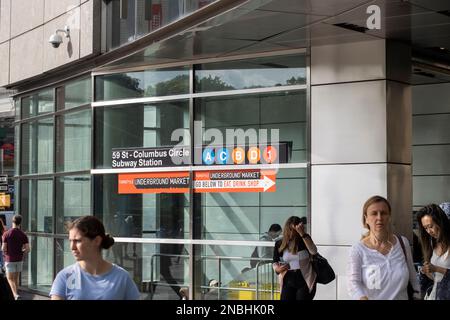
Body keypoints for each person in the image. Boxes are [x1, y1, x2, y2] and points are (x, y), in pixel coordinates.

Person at [50, 215, 140, 300]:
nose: (72, 247)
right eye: (70, 241)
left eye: (77, 241)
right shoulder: (65, 277)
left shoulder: (122, 277)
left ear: (97, 241)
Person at [347, 195, 419, 300]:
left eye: (383, 213)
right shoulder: (358, 250)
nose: (379, 218)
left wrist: (417, 295)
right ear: (366, 218)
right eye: (374, 213)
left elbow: (413, 278)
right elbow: (353, 284)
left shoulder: (402, 243)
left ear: (389, 217)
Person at [272, 216, 318, 300]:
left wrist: (302, 234)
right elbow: (275, 260)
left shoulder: (304, 239)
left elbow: (313, 251)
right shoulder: (280, 243)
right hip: (288, 277)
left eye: (295, 230)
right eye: (290, 229)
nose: (292, 233)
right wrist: (277, 269)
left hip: (305, 277)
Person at [416, 204, 450, 300]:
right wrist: (426, 271)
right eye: (425, 228)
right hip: (435, 295)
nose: (428, 231)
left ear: (441, 222)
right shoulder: (432, 244)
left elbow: (439, 271)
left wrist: (437, 269)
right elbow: (436, 278)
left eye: (430, 226)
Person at [1, 214, 30, 300]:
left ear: (12, 221)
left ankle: (15, 294)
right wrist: (21, 252)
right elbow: (28, 249)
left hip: (9, 259)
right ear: (20, 223)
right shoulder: (23, 234)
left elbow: (3, 248)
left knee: (9, 278)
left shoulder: (6, 234)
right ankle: (15, 293)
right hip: (19, 259)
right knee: (16, 278)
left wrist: (6, 252)